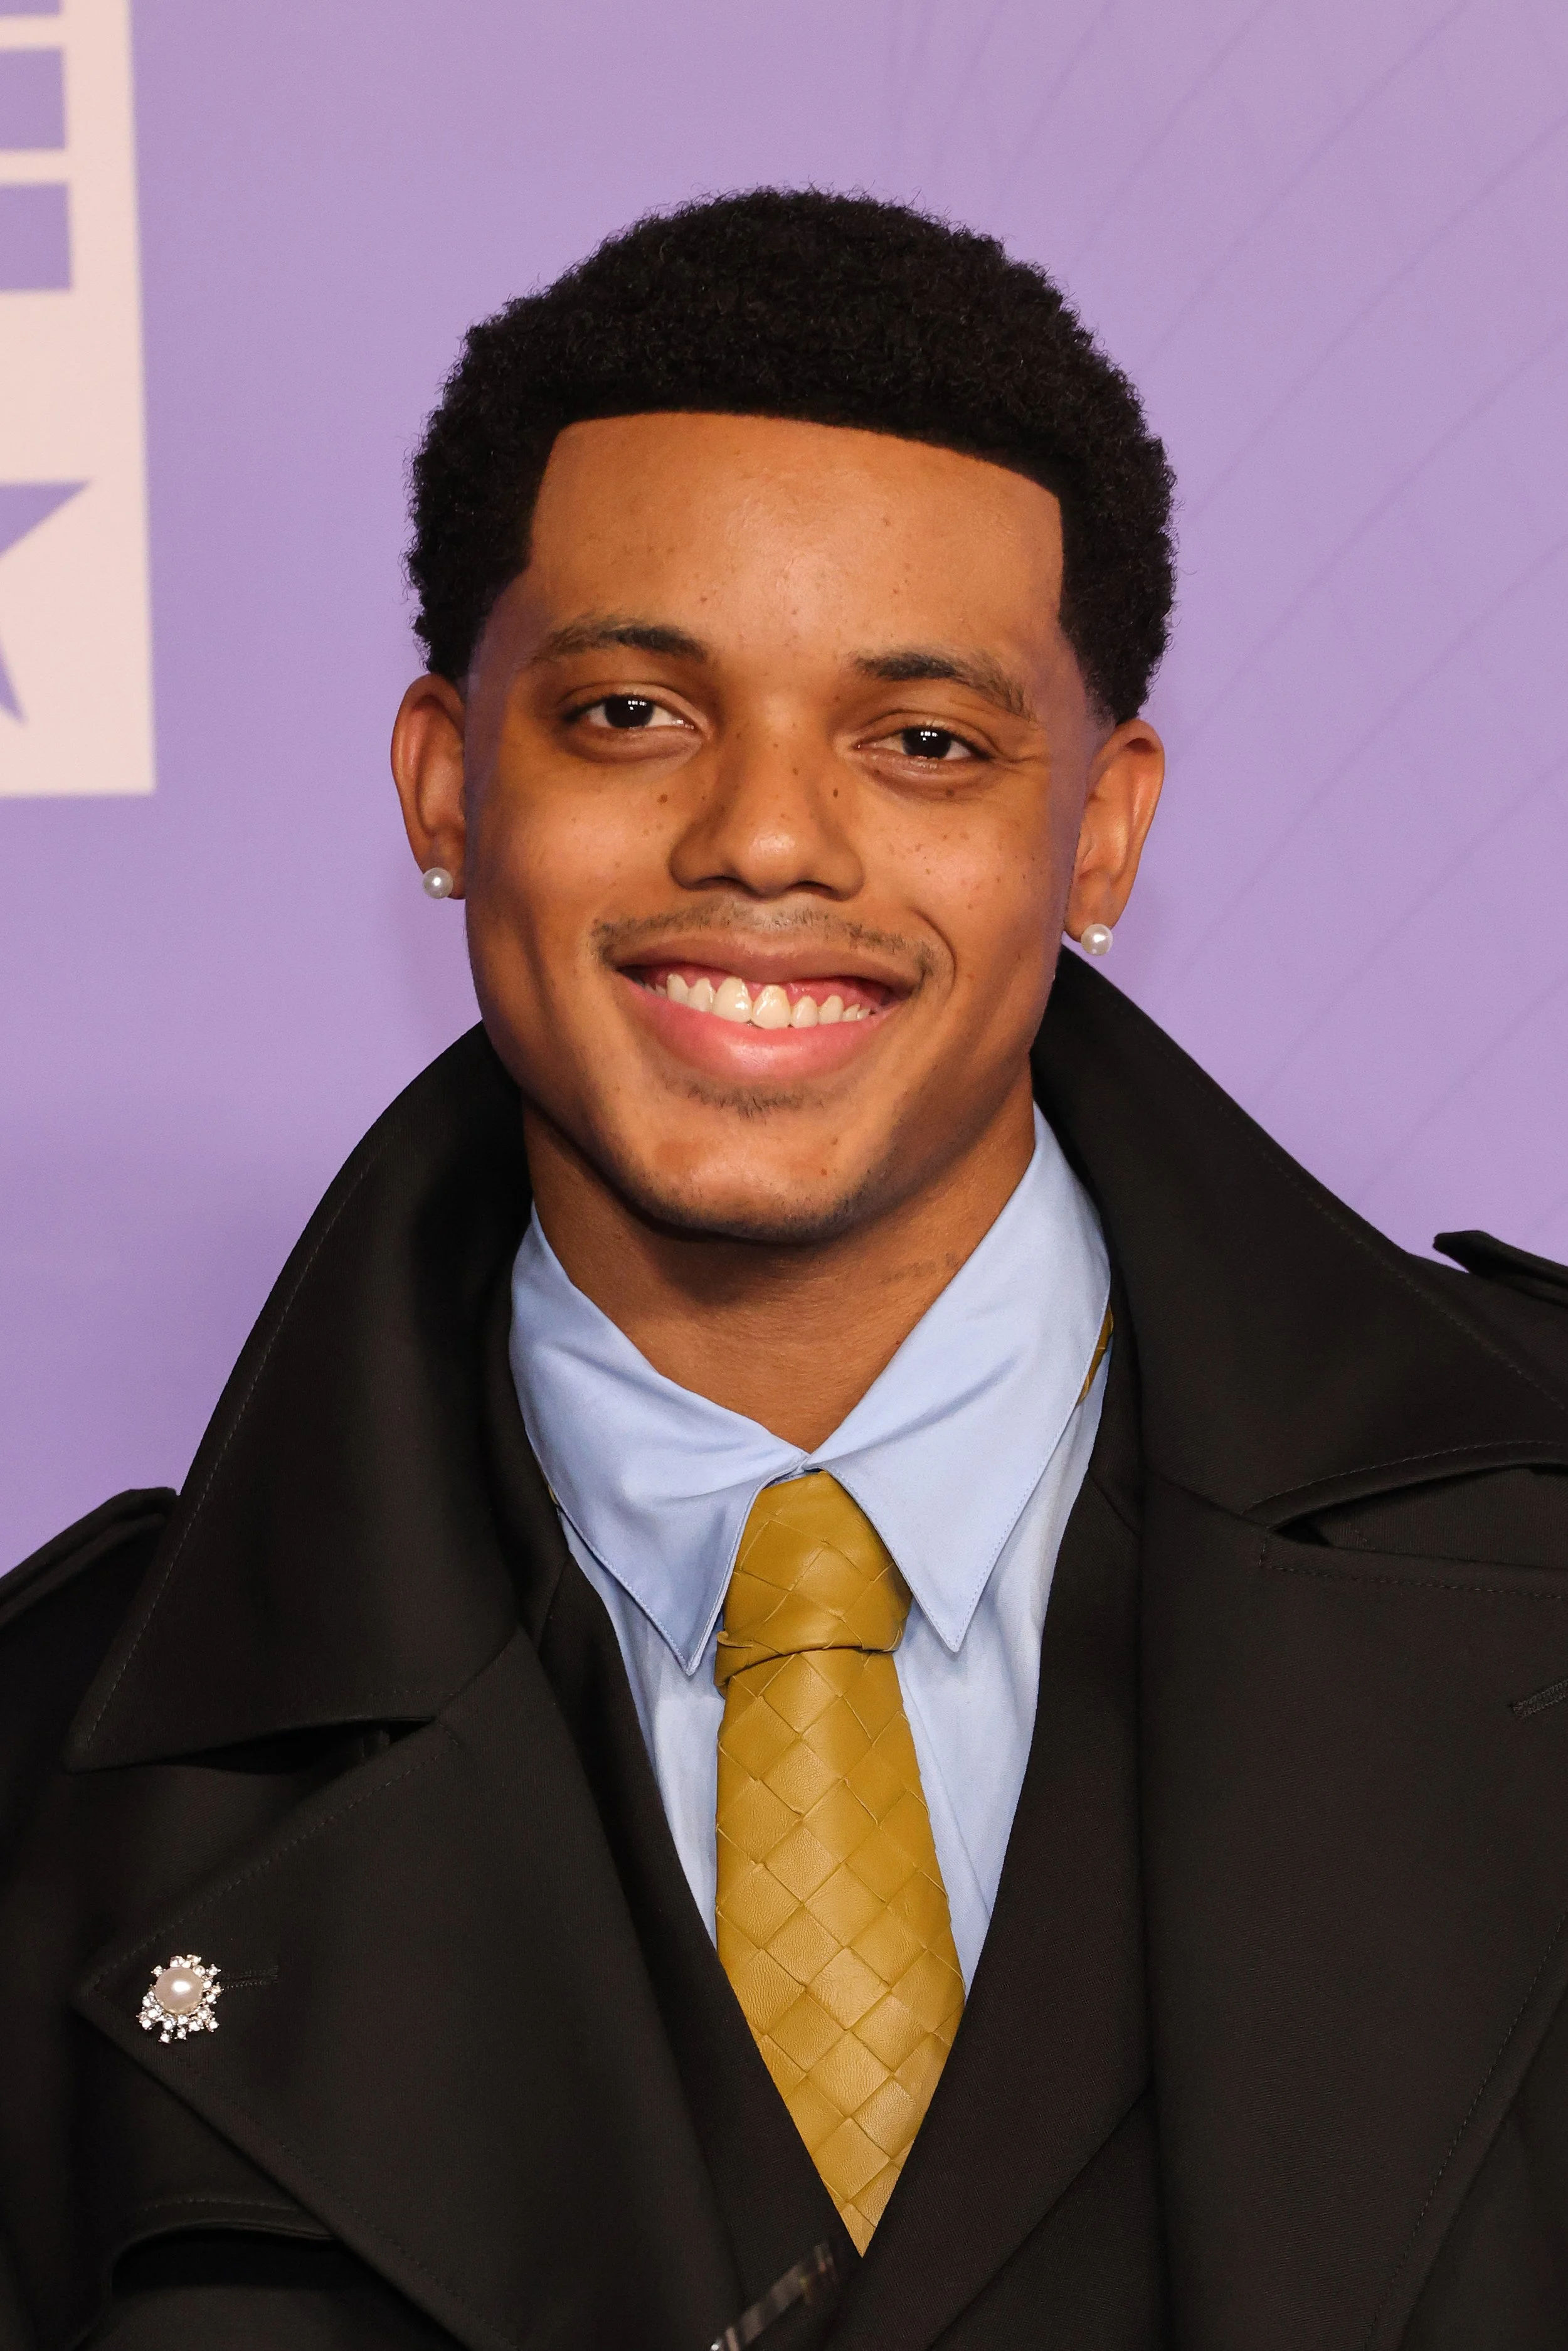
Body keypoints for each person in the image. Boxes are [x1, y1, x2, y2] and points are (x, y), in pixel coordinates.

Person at [3, 188, 1567, 2351]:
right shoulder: (48, 1785)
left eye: (920, 741)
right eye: (634, 712)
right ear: (446, 787)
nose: (764, 836)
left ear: (1097, 832)